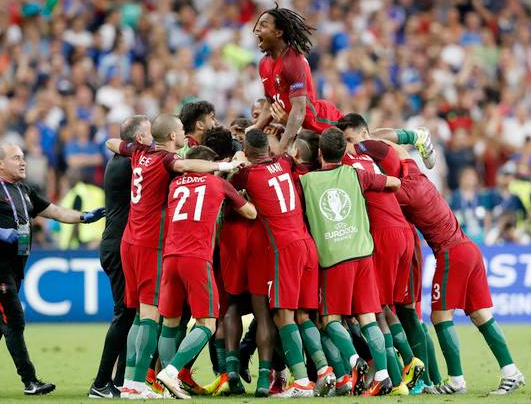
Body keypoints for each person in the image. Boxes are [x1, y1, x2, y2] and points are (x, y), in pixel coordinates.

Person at [369, 131, 526, 395]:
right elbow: (401, 150)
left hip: (450, 252)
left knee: (441, 315)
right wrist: (399, 136)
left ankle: (456, 381)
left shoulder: (402, 194)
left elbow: (380, 193)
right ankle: (511, 372)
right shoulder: (416, 174)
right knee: (481, 315)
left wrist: (362, 147)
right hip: (469, 248)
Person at [105, 114, 243, 400]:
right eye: (180, 130)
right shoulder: (165, 159)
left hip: (130, 240)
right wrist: (224, 164)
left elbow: (112, 141)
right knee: (150, 317)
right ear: (171, 137)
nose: (183, 133)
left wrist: (136, 143)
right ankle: (136, 385)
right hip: (150, 244)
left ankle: (132, 381)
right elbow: (186, 164)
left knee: (140, 318)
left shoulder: (140, 152)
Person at [0, 143, 105, 396]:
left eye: (23, 157)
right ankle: (30, 381)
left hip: (15, 268)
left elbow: (56, 212)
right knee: (14, 320)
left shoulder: (25, 190)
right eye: (16, 158)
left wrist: (84, 217)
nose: (23, 161)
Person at [299, 128, 401, 396]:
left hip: (334, 258)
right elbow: (393, 183)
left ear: (320, 153)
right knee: (368, 318)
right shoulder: (355, 174)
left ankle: (354, 360)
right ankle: (382, 375)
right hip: (362, 253)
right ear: (345, 154)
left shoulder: (306, 181)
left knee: (330, 319)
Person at [230, 129, 332, 398]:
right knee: (303, 315)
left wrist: (238, 159)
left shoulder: (247, 174)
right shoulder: (285, 162)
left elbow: (227, 181)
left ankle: (301, 381)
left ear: (249, 151)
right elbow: (288, 154)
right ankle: (323, 371)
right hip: (307, 244)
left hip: (284, 249)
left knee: (282, 316)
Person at [156, 146, 257, 399]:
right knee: (208, 323)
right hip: (197, 258)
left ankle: (168, 386)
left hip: (170, 257)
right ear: (210, 164)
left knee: (169, 323)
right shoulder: (217, 184)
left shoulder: (175, 184)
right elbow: (250, 212)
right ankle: (172, 371)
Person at [337, 114, 424, 395]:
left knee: (377, 309)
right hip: (402, 232)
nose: (350, 145)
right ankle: (409, 362)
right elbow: (394, 178)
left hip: (384, 236)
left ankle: (398, 377)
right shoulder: (370, 160)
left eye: (351, 140)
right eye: (346, 141)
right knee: (388, 306)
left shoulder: (348, 163)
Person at [88, 116, 147, 399]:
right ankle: (101, 382)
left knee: (130, 312)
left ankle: (121, 380)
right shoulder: (129, 163)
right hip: (118, 245)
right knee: (124, 313)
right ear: (136, 140)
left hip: (118, 242)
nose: (154, 139)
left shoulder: (121, 159)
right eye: (149, 133)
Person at [248, 4, 344, 152]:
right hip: (298, 130)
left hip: (323, 124)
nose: (257, 29)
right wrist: (255, 129)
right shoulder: (263, 64)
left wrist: (281, 148)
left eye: (263, 25)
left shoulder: (292, 62)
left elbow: (299, 111)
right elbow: (270, 103)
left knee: (363, 145)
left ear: (278, 33)